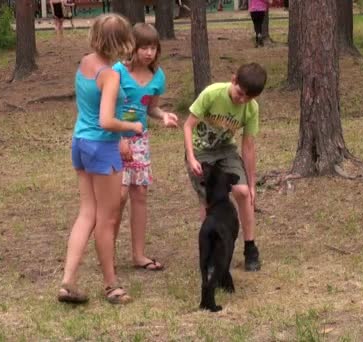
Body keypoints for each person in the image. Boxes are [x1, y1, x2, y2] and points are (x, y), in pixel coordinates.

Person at [58, 13, 141, 305]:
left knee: (87, 213)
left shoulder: (85, 62)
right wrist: (131, 126)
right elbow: (106, 120)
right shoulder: (109, 74)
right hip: (101, 147)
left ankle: (68, 282)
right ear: (122, 41)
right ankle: (111, 286)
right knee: (106, 218)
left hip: (80, 143)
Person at [184, 63, 267, 272]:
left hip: (226, 151)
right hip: (201, 152)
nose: (242, 100)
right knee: (209, 202)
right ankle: (210, 255)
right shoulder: (212, 94)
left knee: (243, 192)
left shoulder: (251, 108)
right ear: (233, 80)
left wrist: (252, 183)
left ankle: (250, 249)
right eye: (240, 93)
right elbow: (188, 126)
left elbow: (248, 146)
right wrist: (192, 157)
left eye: (248, 97)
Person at [112, 23, 179, 271]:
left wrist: (163, 116)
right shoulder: (117, 71)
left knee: (139, 195)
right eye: (144, 47)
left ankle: (138, 255)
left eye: (153, 48)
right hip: (115, 137)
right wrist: (119, 138)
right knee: (117, 197)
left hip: (140, 141)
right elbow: (106, 108)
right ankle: (107, 252)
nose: (149, 53)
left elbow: (150, 108)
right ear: (133, 48)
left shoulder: (157, 76)